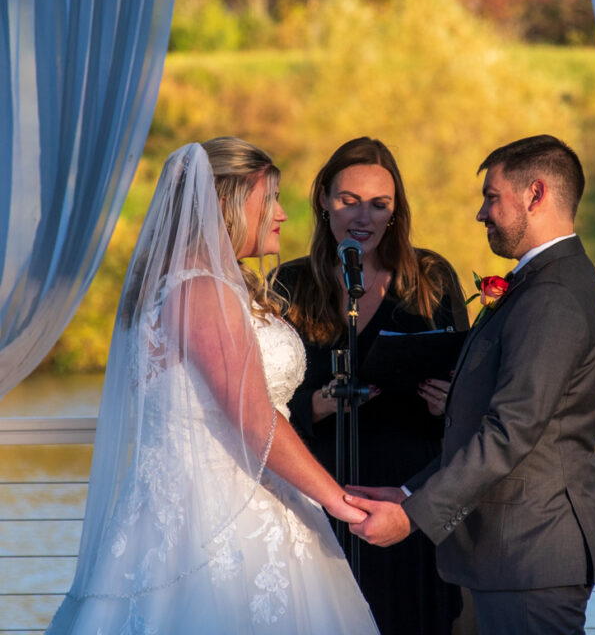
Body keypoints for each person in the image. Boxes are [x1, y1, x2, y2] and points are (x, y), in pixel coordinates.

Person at [46, 138, 379, 635]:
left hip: (205, 508)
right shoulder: (201, 289)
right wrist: (338, 501)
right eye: (268, 201)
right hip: (221, 525)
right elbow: (253, 417)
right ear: (225, 205)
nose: (283, 215)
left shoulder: (181, 284)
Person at [346, 134, 595, 635]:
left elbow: (511, 430)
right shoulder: (540, 282)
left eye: (491, 196)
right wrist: (407, 491)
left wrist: (412, 517)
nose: (481, 213)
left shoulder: (553, 295)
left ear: (535, 195)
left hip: (531, 554)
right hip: (514, 557)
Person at [272, 136, 468, 635]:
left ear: (396, 211)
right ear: (323, 201)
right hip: (321, 490)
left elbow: (470, 382)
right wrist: (312, 407)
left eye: (380, 205)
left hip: (406, 498)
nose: (364, 217)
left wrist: (452, 401)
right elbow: (259, 399)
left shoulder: (432, 278)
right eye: (348, 201)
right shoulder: (288, 285)